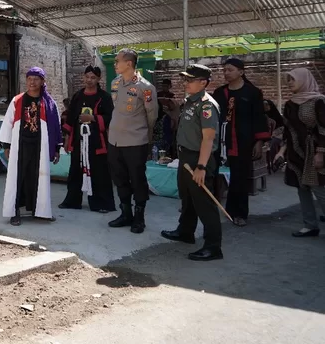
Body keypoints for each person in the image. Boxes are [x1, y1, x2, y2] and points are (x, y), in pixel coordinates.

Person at [160, 65, 223, 261]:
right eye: (185, 79)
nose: (185, 83)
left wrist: (201, 167)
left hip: (199, 158)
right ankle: (185, 231)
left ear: (203, 83)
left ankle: (213, 247)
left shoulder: (206, 105)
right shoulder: (190, 101)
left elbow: (208, 139)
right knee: (187, 198)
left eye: (190, 80)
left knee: (204, 203)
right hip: (186, 156)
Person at [0, 67, 63, 226]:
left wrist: (56, 148)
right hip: (21, 145)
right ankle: (14, 212)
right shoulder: (17, 100)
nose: (32, 82)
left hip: (40, 146)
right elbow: (8, 123)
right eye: (29, 79)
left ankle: (40, 211)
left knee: (39, 177)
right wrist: (7, 145)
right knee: (17, 177)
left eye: (36, 79)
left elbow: (56, 127)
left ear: (42, 82)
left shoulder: (49, 103)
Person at [212, 58, 269, 226]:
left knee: (240, 178)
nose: (226, 73)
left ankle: (240, 213)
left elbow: (258, 118)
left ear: (241, 72)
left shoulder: (252, 93)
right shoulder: (220, 93)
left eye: (230, 70)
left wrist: (259, 142)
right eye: (224, 70)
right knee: (215, 174)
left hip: (243, 142)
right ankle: (223, 209)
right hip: (221, 141)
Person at [107, 48, 159, 234]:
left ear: (128, 63)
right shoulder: (115, 83)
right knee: (119, 178)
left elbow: (152, 115)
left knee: (137, 179)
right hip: (115, 140)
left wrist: (145, 134)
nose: (115, 64)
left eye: (117, 61)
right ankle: (125, 213)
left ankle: (139, 217)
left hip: (135, 140)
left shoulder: (145, 87)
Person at [273, 68, 325, 238]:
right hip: (296, 151)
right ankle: (310, 225)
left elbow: (323, 129)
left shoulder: (318, 102)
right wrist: (281, 151)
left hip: (316, 150)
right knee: (301, 188)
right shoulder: (290, 104)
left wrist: (320, 153)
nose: (289, 83)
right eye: (288, 80)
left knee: (319, 188)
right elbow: (289, 130)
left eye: (292, 79)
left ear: (304, 80)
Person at [60, 65, 115, 213]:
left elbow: (111, 117)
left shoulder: (105, 97)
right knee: (75, 171)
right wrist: (66, 140)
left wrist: (93, 118)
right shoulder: (78, 96)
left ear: (98, 79)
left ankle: (102, 203)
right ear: (83, 77)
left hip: (97, 142)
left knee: (100, 172)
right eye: (87, 77)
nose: (89, 80)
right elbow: (70, 118)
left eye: (93, 78)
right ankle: (72, 201)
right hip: (78, 141)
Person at [264, 99, 284, 176]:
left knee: (273, 142)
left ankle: (274, 163)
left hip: (277, 135)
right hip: (263, 136)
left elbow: (282, 127)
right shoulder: (260, 115)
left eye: (266, 105)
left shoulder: (276, 116)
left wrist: (274, 133)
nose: (265, 107)